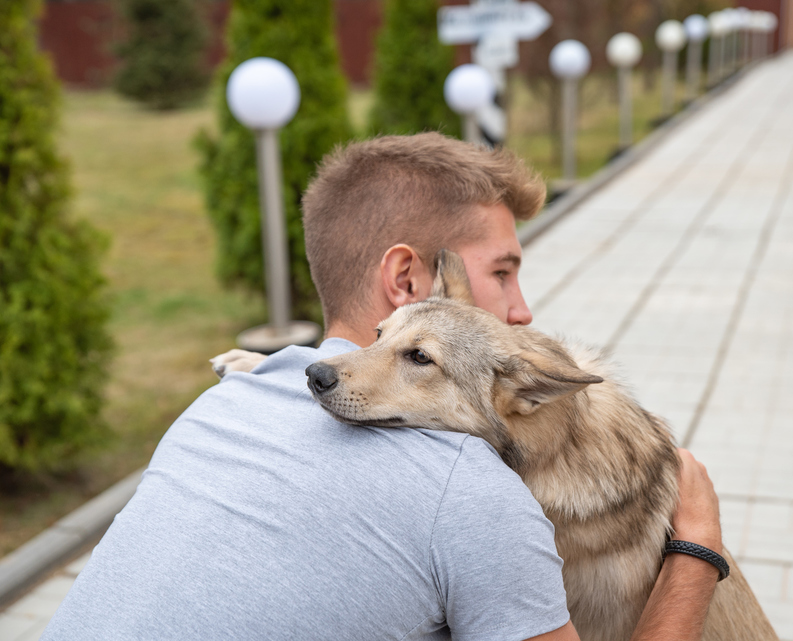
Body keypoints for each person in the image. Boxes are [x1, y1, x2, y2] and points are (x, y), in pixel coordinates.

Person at [43, 133, 722, 641]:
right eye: (504, 273)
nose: (522, 313)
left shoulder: (216, 404)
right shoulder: (470, 494)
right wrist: (695, 553)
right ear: (408, 283)